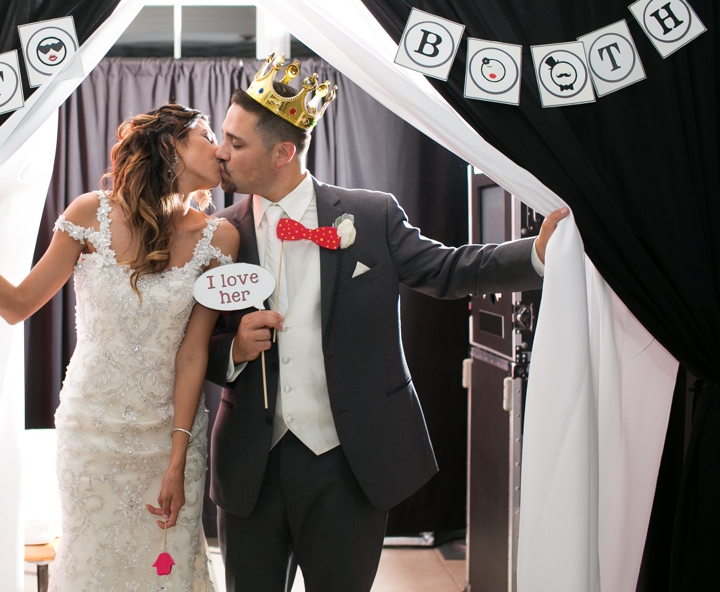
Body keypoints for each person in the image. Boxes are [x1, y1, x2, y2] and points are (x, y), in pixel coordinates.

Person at [205, 54, 568, 592]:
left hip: (351, 462)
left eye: (236, 143)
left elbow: (447, 269)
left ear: (282, 152)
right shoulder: (219, 233)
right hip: (251, 465)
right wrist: (233, 349)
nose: (220, 152)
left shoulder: (370, 215)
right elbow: (188, 345)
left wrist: (534, 256)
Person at [0, 104, 239, 591]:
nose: (220, 149)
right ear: (171, 148)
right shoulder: (89, 214)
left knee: (170, 567)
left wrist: (178, 458)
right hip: (90, 431)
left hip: (169, 434)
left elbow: (192, 356)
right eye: (205, 136)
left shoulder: (219, 238)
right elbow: (18, 304)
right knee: (92, 561)